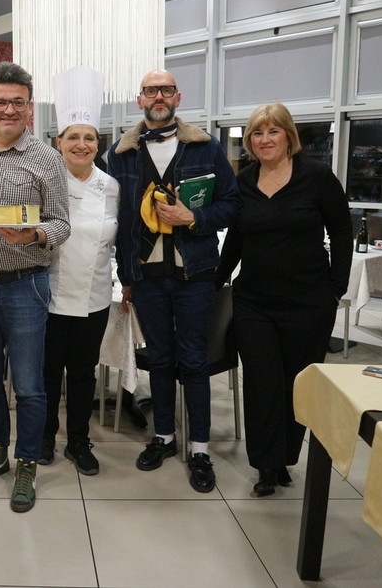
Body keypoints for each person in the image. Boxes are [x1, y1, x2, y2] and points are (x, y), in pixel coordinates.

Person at [108, 69, 240, 493]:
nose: (158, 96)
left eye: (166, 89)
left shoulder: (206, 147)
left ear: (177, 97)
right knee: (161, 359)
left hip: (194, 273)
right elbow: (120, 220)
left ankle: (199, 448)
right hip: (146, 276)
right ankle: (164, 436)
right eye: (151, 90)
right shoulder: (121, 153)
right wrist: (126, 275)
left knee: (194, 360)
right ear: (140, 99)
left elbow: (231, 204)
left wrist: (192, 217)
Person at [217, 103, 352, 496]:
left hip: (308, 302)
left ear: (288, 136)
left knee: (297, 384)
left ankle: (285, 458)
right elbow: (237, 238)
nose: (265, 140)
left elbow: (342, 232)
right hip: (254, 302)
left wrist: (336, 288)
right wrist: (217, 280)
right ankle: (265, 464)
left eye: (273, 131)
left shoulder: (317, 177)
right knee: (261, 384)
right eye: (257, 133)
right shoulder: (245, 181)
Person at [0, 61, 70, 512]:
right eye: (0, 102)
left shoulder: (47, 158)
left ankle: (27, 464)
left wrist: (35, 234)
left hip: (25, 286)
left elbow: (61, 223)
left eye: (17, 103)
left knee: (28, 385)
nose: (8, 110)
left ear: (30, 107)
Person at [39, 66, 118, 475]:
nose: (81, 145)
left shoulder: (112, 187)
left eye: (89, 138)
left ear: (97, 143)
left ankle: (79, 441)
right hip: (50, 295)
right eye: (73, 137)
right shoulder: (44, 182)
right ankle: (45, 437)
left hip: (95, 296)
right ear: (59, 142)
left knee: (84, 375)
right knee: (48, 374)